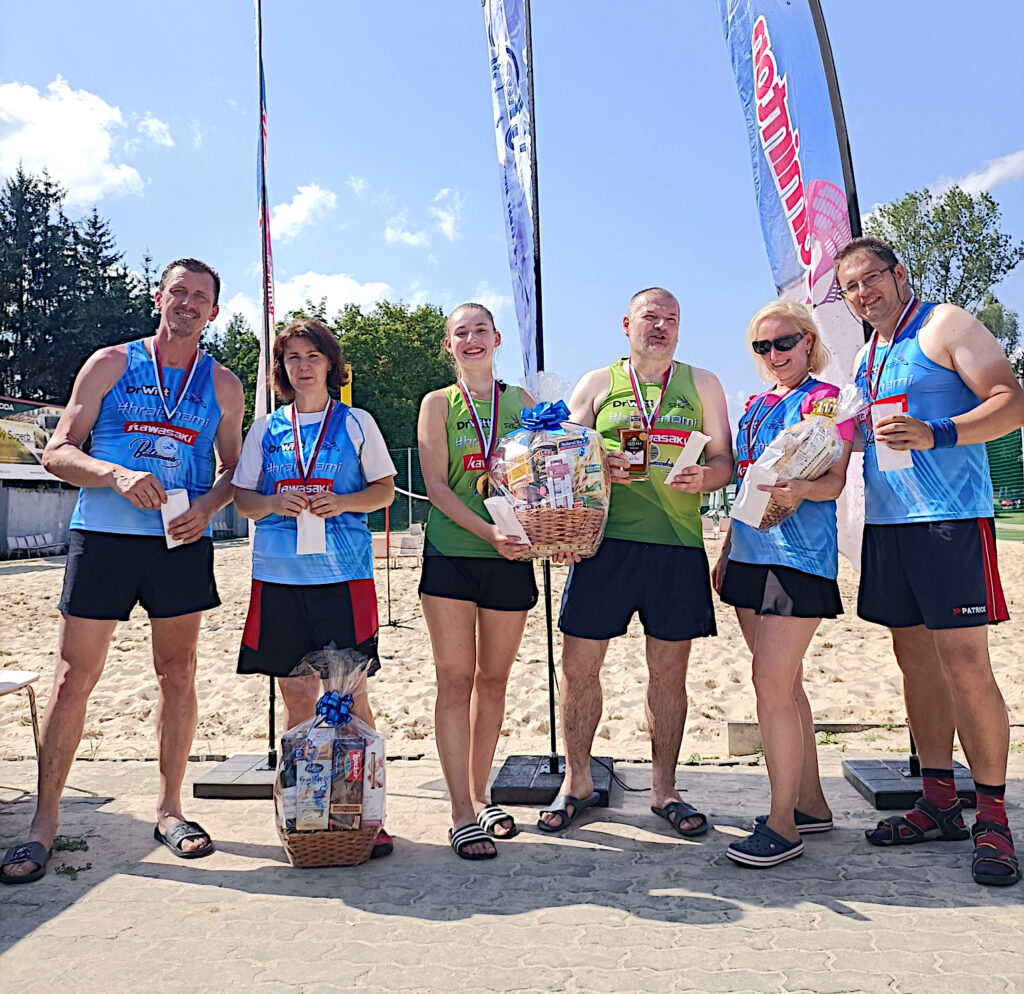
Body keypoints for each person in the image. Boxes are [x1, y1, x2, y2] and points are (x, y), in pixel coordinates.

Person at [1, 259, 244, 884]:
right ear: (158, 299)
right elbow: (57, 451)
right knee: (72, 677)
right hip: (103, 537)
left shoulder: (223, 384)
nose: (188, 303)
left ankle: (169, 810)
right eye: (178, 292)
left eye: (201, 297)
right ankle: (43, 824)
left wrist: (209, 510)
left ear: (214, 311)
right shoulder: (110, 362)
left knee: (178, 673)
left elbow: (234, 474)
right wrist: (115, 473)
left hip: (179, 540)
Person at [836, 235, 1024, 887]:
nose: (863, 292)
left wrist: (938, 432)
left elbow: (1011, 399)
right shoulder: (868, 353)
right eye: (851, 286)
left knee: (966, 665)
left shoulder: (944, 323)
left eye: (871, 278)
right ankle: (939, 799)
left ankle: (994, 816)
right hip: (889, 524)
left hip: (950, 521)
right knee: (914, 664)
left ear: (899, 274)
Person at [539, 287, 734, 835]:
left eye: (672, 318)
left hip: (676, 546)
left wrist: (708, 476)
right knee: (579, 670)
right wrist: (599, 464)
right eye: (651, 317)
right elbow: (562, 455)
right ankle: (577, 780)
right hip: (603, 545)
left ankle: (664, 789)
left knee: (668, 677)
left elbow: (725, 460)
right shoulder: (599, 383)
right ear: (626, 323)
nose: (661, 327)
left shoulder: (703, 383)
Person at [232, 319, 396, 859]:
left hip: (343, 575)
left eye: (313, 356)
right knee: (297, 692)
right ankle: (309, 808)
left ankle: (367, 811)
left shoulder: (355, 423)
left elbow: (384, 491)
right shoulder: (266, 428)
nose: (303, 365)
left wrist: (344, 502)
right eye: (292, 357)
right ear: (281, 368)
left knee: (348, 695)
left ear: (330, 363)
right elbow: (243, 499)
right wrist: (273, 504)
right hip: (278, 576)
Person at [712, 300, 854, 867]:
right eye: (762, 347)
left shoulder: (830, 401)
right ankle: (810, 806)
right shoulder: (755, 404)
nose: (775, 355)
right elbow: (745, 486)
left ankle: (781, 827)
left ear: (809, 340)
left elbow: (835, 482)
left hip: (800, 557)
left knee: (768, 683)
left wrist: (801, 491)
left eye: (785, 342)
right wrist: (724, 548)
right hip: (748, 553)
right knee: (787, 685)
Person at [417, 302, 536, 860]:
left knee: (494, 681)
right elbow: (437, 487)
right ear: (449, 345)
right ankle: (461, 812)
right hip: (454, 552)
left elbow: (545, 476)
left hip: (512, 555)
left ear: (497, 339)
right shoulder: (437, 403)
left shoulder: (525, 404)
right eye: (460, 333)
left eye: (480, 331)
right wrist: (489, 533)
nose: (471, 340)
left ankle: (481, 792)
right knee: (455, 679)